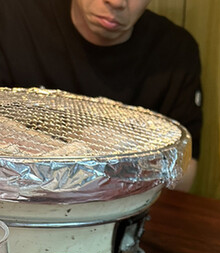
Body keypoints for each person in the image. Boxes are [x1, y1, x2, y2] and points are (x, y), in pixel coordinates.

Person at [0, 0, 202, 191]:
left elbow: (185, 173)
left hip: (126, 208)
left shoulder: (176, 50)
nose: (117, 2)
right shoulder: (12, 18)